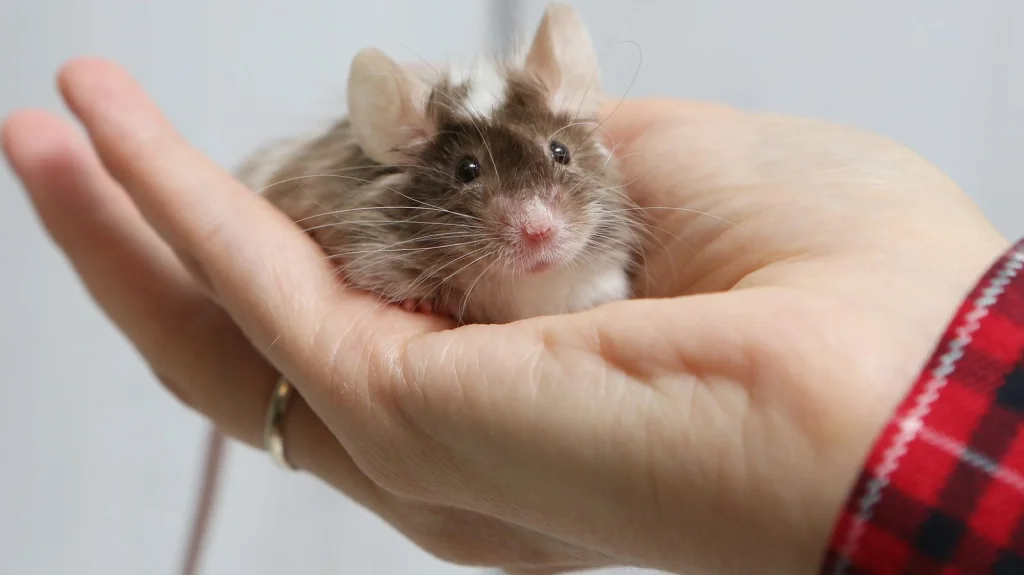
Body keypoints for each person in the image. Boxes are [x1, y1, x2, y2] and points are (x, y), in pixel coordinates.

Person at [4, 58, 1023, 575]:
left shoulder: (605, 214)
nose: (537, 223)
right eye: (470, 176)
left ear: (580, 145)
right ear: (421, 156)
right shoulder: (390, 207)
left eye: (560, 167)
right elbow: (352, 243)